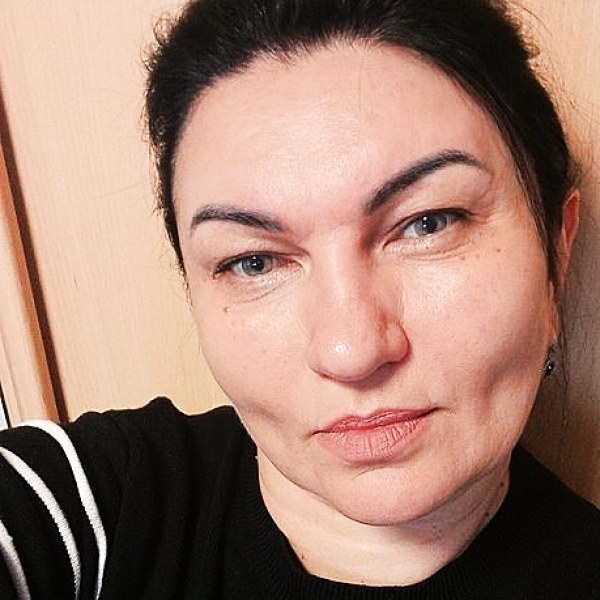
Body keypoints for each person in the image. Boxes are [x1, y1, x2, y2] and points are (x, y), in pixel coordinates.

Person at [1, 0, 598, 598]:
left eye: (428, 223)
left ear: (556, 254)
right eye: (253, 262)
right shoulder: (98, 506)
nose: (351, 351)